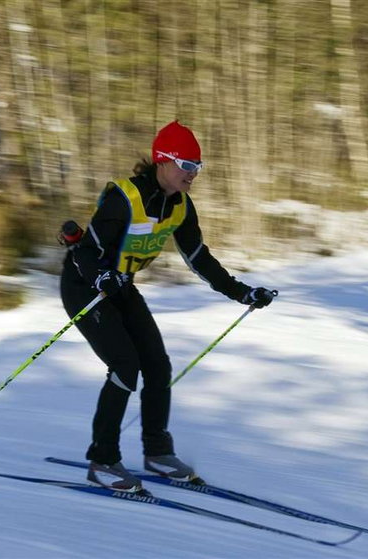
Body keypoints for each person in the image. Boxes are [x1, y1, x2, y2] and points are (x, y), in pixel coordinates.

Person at [60, 120, 276, 492]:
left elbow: (199, 257)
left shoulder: (179, 207)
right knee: (125, 365)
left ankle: (157, 452)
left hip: (121, 286)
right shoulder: (124, 198)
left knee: (158, 365)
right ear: (163, 160)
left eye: (198, 167)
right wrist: (100, 278)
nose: (193, 175)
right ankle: (103, 460)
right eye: (188, 166)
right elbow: (86, 252)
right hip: (85, 286)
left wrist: (241, 292)